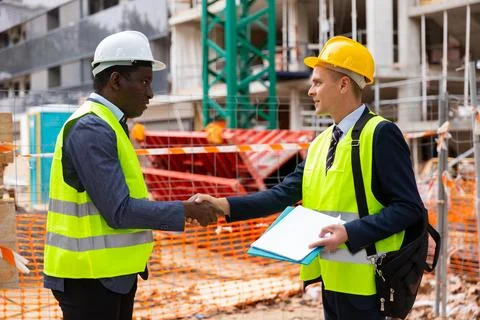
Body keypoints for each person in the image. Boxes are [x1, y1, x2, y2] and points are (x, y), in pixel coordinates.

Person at [190, 36, 426, 320]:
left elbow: (408, 208)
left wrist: (350, 233)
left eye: (317, 82)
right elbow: (282, 193)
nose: (310, 91)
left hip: (371, 284)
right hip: (332, 279)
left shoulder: (380, 134)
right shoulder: (321, 142)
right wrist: (222, 206)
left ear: (343, 84)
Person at [43, 31, 221, 320]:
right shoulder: (92, 128)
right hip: (90, 277)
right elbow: (119, 211)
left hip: (109, 274)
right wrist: (185, 210)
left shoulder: (110, 124)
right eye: (144, 81)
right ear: (115, 80)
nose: (150, 92)